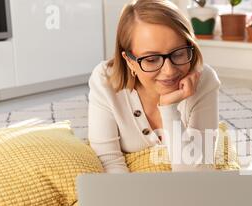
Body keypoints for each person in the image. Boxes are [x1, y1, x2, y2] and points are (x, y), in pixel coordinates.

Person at [88, 0, 221, 173]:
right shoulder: (104, 79)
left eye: (179, 53)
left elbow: (198, 175)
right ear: (129, 61)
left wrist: (169, 108)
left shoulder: (204, 79)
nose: (169, 71)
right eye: (151, 60)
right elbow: (108, 160)